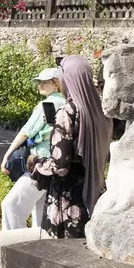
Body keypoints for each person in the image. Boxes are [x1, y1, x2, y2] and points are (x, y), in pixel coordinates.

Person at [31, 54, 109, 238]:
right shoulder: (102, 110)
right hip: (96, 191)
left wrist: (35, 161)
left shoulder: (67, 112)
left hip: (69, 198)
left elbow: (60, 167)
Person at [0, 68, 67, 232]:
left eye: (45, 82)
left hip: (39, 163)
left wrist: (7, 154)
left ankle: (12, 245)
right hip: (55, 163)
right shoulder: (66, 102)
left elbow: (26, 131)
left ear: (56, 84)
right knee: (41, 214)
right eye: (39, 82)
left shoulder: (47, 104)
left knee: (11, 205)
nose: (40, 85)